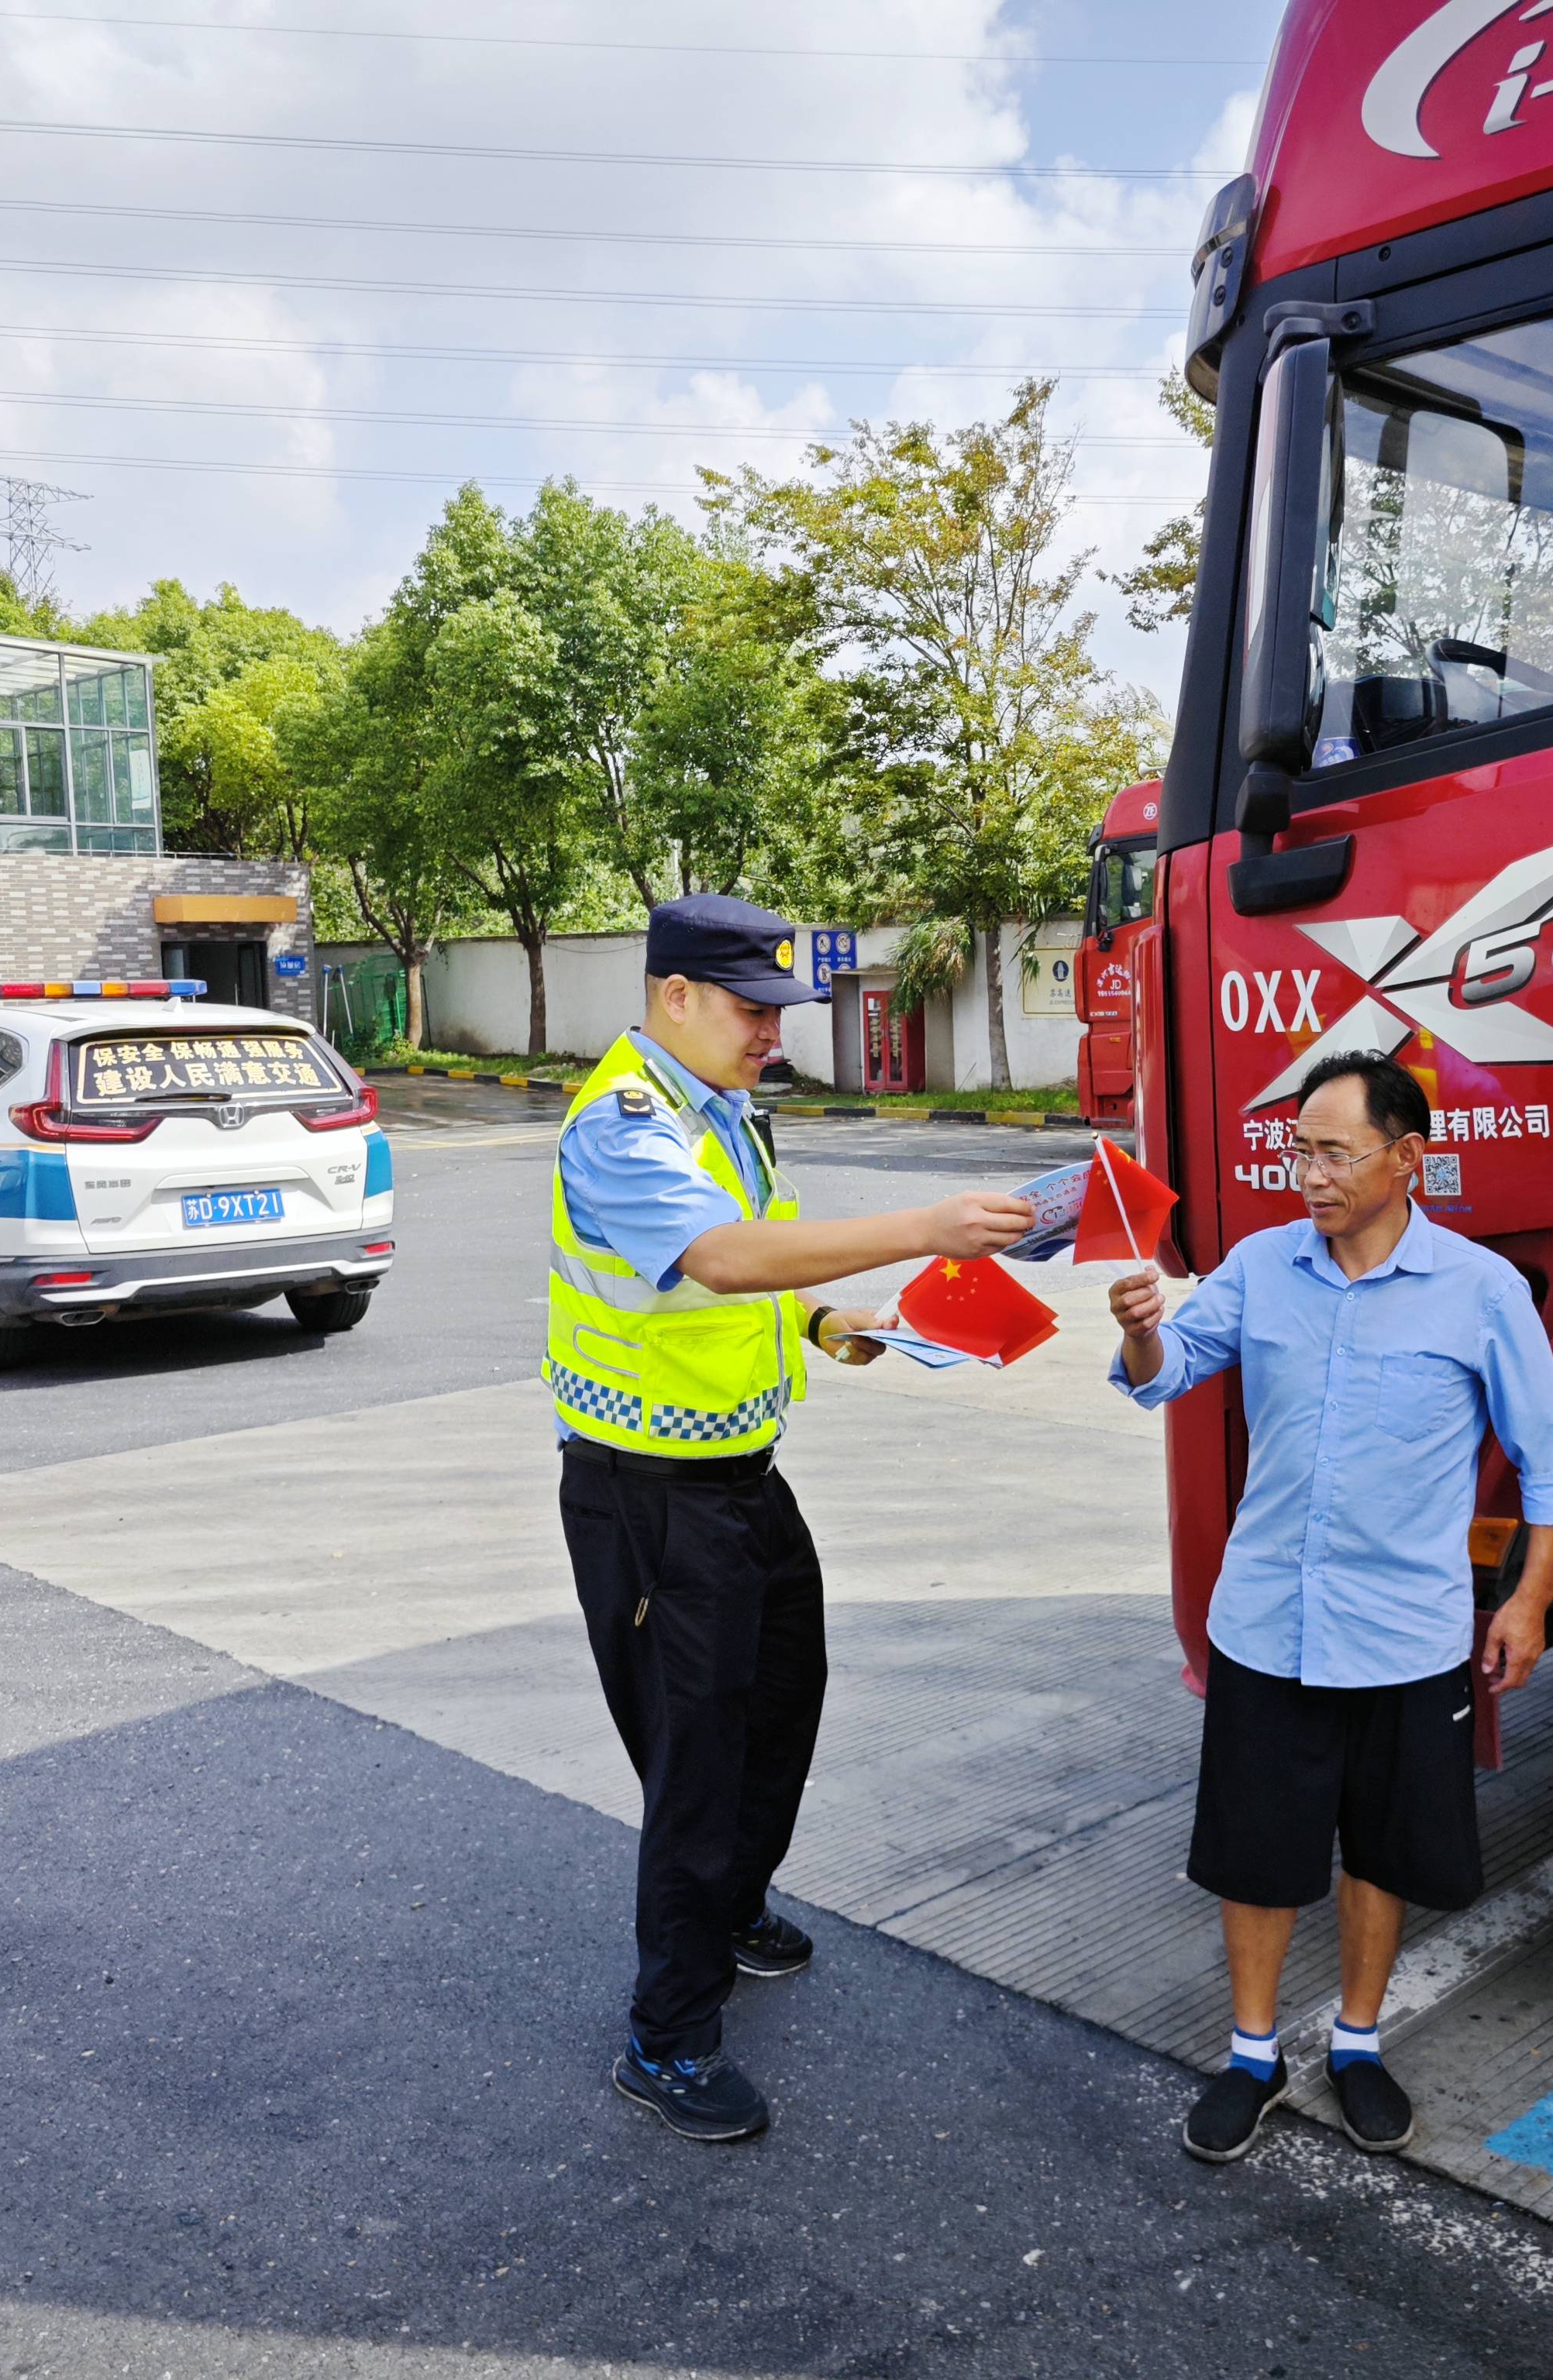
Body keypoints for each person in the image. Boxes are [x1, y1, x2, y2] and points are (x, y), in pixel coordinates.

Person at [553, 892, 1036, 2144]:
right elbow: (716, 1256)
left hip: (740, 1478)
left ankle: (731, 1905)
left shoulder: (722, 1111)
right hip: (650, 1496)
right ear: (674, 998)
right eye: (752, 1010)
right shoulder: (623, 1123)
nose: (774, 1034)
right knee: (697, 1762)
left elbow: (749, 1271)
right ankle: (668, 2037)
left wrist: (827, 1322)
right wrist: (927, 1227)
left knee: (784, 1699)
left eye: (780, 1012)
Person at [1106, 1048, 1553, 2165]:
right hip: (1266, 1619)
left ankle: (1358, 2045)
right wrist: (1139, 1327)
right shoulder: (1262, 1267)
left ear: (1407, 1157)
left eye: (1334, 1153)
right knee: (1255, 1851)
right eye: (1298, 1152)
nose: (1309, 1176)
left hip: (1406, 1633)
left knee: (1380, 1850)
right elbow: (1165, 1372)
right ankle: (1251, 2055)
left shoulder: (1478, 1289)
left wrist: (1526, 1602)